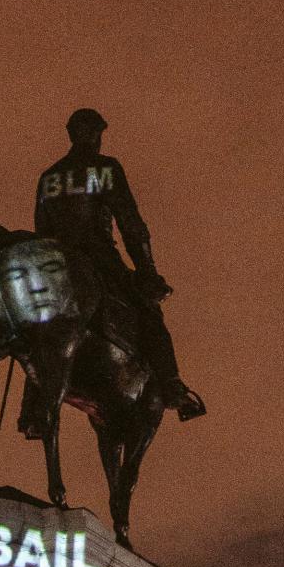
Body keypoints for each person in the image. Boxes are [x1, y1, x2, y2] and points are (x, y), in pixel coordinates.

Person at [34, 108, 204, 421]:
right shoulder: (105, 168)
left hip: (55, 265)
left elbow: (41, 232)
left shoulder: (49, 177)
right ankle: (171, 386)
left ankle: (33, 405)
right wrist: (148, 272)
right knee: (148, 310)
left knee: (38, 331)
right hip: (97, 256)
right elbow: (130, 222)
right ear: (96, 134)